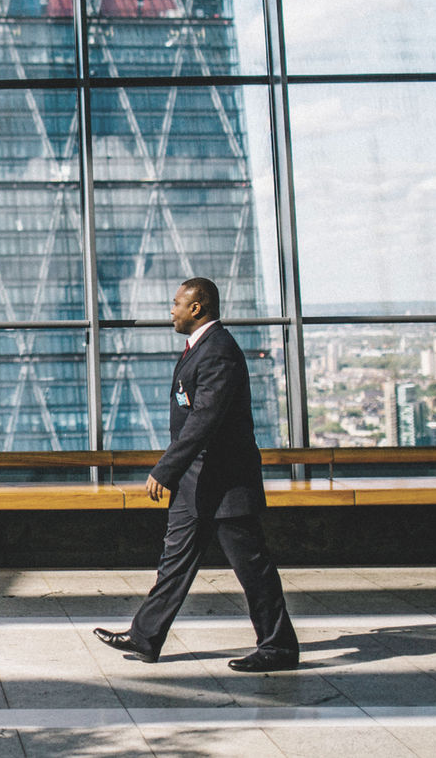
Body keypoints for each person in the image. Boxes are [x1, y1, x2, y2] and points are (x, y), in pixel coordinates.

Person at [94, 277, 299, 672]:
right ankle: (144, 636)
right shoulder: (201, 349)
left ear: (197, 308)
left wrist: (166, 469)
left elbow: (205, 419)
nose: (170, 310)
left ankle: (279, 647)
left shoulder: (218, 352)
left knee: (252, 569)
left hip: (224, 484)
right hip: (197, 484)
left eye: (176, 304)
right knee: (174, 561)